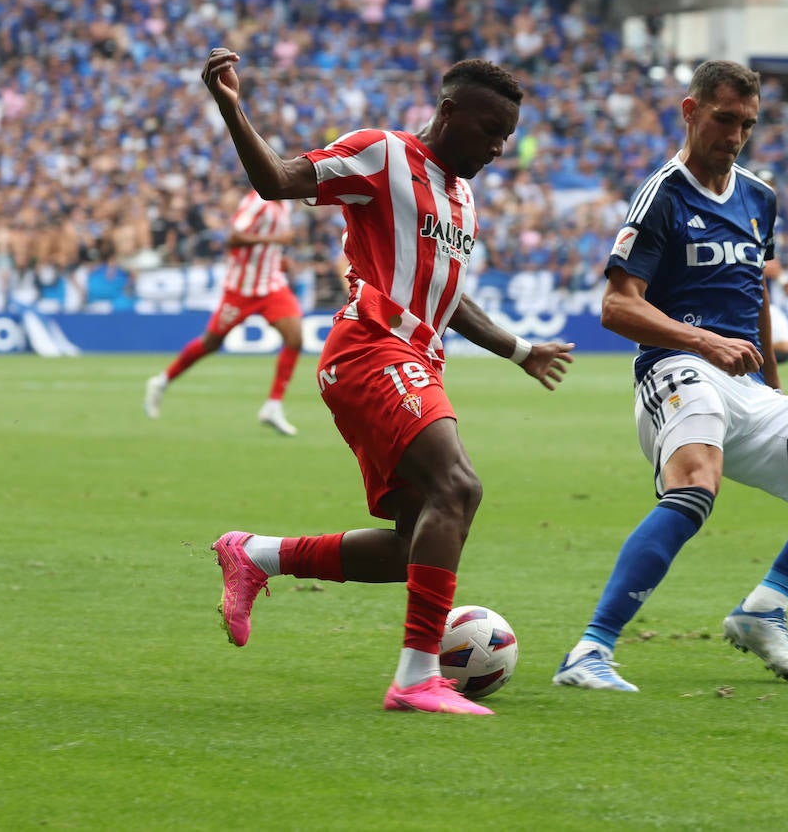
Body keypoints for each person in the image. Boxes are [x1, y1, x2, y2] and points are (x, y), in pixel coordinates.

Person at [200, 47, 575, 715]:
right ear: (449, 111)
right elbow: (278, 180)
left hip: (416, 360)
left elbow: (448, 295)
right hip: (372, 346)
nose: (499, 148)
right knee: (458, 488)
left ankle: (257, 556)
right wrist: (233, 109)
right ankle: (416, 678)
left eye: (508, 136)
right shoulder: (382, 154)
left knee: (415, 543)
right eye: (491, 130)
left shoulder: (462, 198)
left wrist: (520, 351)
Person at [551, 60, 788, 693]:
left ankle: (765, 608)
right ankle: (590, 650)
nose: (735, 136)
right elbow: (617, 307)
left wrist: (773, 389)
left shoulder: (760, 197)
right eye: (724, 119)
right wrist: (705, 340)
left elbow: (755, 291)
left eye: (748, 125)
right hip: (676, 369)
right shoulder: (663, 193)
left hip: (746, 388)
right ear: (691, 111)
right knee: (694, 490)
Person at [144, 189, 304, 435]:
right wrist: (275, 240)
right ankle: (161, 381)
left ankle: (273, 406)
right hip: (241, 288)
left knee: (295, 338)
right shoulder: (257, 202)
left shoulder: (286, 205)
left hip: (272, 285)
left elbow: (266, 247)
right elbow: (233, 238)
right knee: (211, 343)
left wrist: (278, 259)